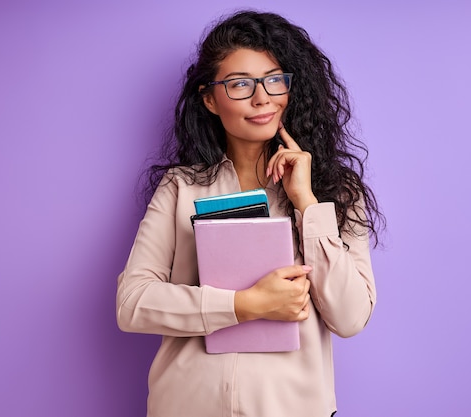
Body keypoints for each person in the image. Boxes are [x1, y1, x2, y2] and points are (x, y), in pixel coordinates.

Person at [116, 9, 383, 417]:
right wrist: (246, 304)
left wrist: (306, 204)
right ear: (209, 98)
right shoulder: (180, 187)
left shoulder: (335, 193)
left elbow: (349, 317)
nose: (262, 98)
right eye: (240, 84)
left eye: (274, 80)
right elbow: (132, 304)